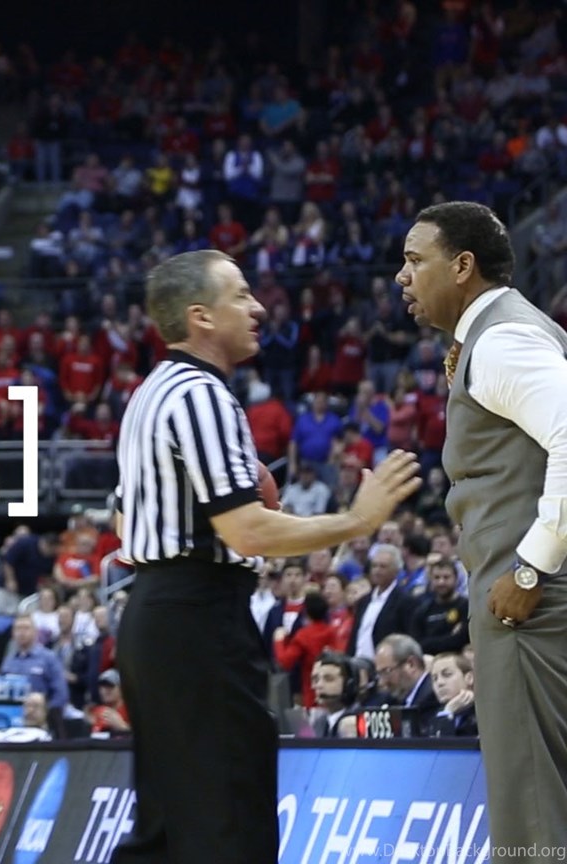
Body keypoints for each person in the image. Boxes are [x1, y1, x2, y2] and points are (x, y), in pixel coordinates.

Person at [112, 250, 422, 864]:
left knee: (166, 831)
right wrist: (357, 520)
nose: (258, 308)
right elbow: (248, 531)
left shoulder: (149, 393)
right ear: (201, 316)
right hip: (199, 615)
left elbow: (125, 521)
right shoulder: (203, 395)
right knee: (230, 820)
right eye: (241, 295)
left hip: (153, 613)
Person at [398, 200, 567, 856]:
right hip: (531, 599)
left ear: (463, 265)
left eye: (416, 260)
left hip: (530, 604)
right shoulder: (495, 337)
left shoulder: (502, 339)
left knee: (532, 813)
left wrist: (531, 568)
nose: (402, 276)